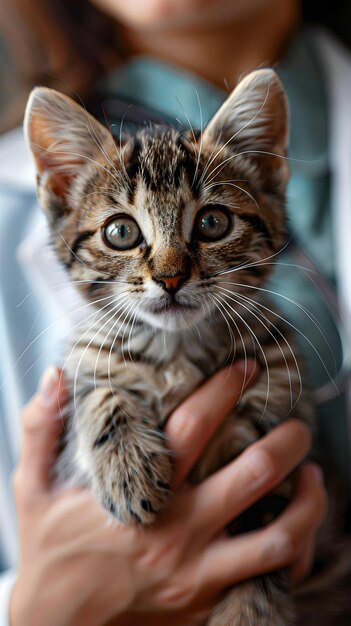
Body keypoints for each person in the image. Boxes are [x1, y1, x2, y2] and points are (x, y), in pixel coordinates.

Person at [0, 0, 349, 623]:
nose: (168, 272)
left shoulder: (272, 354)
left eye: (210, 224)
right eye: (122, 234)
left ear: (270, 169)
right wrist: (36, 610)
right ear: (60, 186)